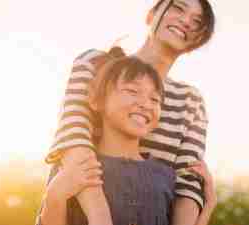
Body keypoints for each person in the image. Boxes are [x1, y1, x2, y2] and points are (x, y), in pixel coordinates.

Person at [40, 0, 216, 225]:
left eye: (197, 21)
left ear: (198, 40)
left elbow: (187, 184)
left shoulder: (191, 100)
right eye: (178, 8)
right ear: (151, 15)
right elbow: (74, 139)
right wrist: (100, 217)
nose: (186, 21)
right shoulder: (95, 64)